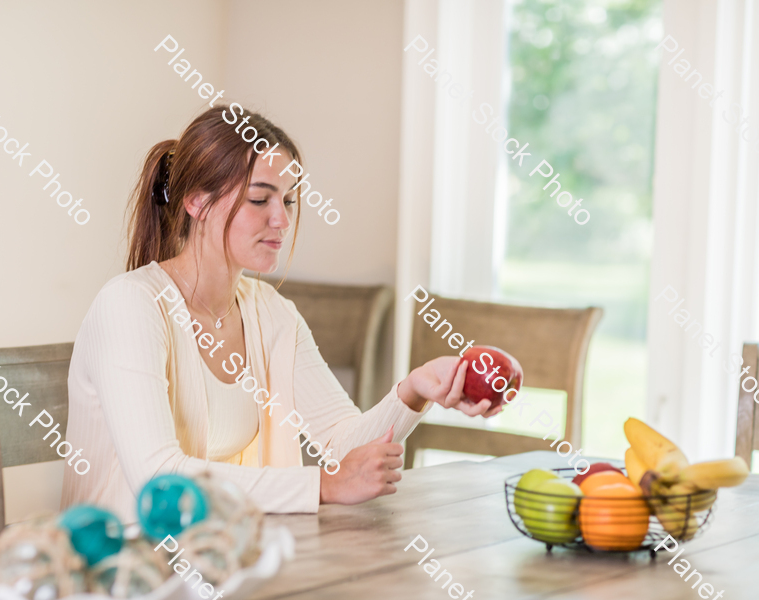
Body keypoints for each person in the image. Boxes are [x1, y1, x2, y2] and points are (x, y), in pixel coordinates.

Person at [61, 106, 502, 521]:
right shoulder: (131, 304)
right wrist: (322, 486)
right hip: (123, 572)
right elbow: (159, 479)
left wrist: (415, 390)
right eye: (260, 200)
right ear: (196, 202)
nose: (282, 220)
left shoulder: (271, 313)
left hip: (222, 561)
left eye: (288, 201)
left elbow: (343, 445)